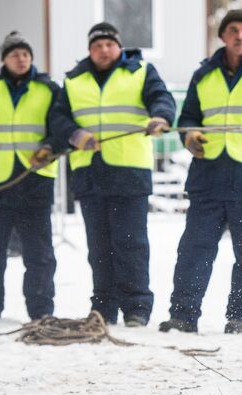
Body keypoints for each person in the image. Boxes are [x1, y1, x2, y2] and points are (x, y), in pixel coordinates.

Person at [158, 10, 242, 334]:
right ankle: (183, 316)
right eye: (232, 29)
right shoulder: (203, 75)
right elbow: (188, 116)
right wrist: (189, 135)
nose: (239, 35)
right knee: (194, 250)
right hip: (209, 175)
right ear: (222, 36)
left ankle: (241, 318)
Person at [49, 22, 175, 327]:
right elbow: (57, 117)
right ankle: (104, 308)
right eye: (97, 46)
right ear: (90, 50)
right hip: (90, 174)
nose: (104, 50)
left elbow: (162, 98)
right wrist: (73, 134)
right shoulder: (74, 80)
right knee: (99, 247)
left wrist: (160, 116)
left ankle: (137, 308)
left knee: (130, 243)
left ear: (118, 46)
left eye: (109, 44)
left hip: (130, 171)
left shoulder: (141, 72)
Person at [0, 31, 62, 325]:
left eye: (26, 54)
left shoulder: (49, 90)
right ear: (4, 60)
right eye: (15, 54)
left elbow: (60, 129)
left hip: (35, 182)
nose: (22, 59)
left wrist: (49, 148)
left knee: (39, 254)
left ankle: (41, 312)